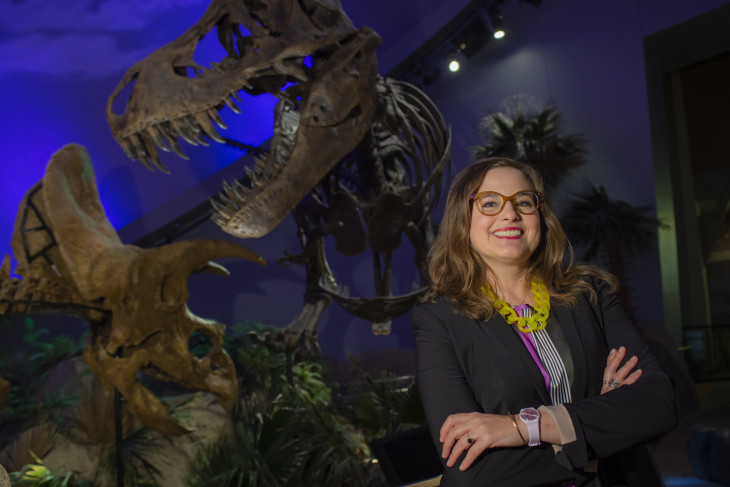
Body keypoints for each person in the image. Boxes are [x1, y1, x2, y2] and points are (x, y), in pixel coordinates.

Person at [411, 157, 678, 486]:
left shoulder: (590, 295)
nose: (510, 214)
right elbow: (470, 466)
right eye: (489, 202)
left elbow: (658, 404)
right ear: (461, 220)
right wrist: (599, 435)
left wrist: (522, 427)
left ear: (541, 215)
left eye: (523, 201)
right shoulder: (438, 319)